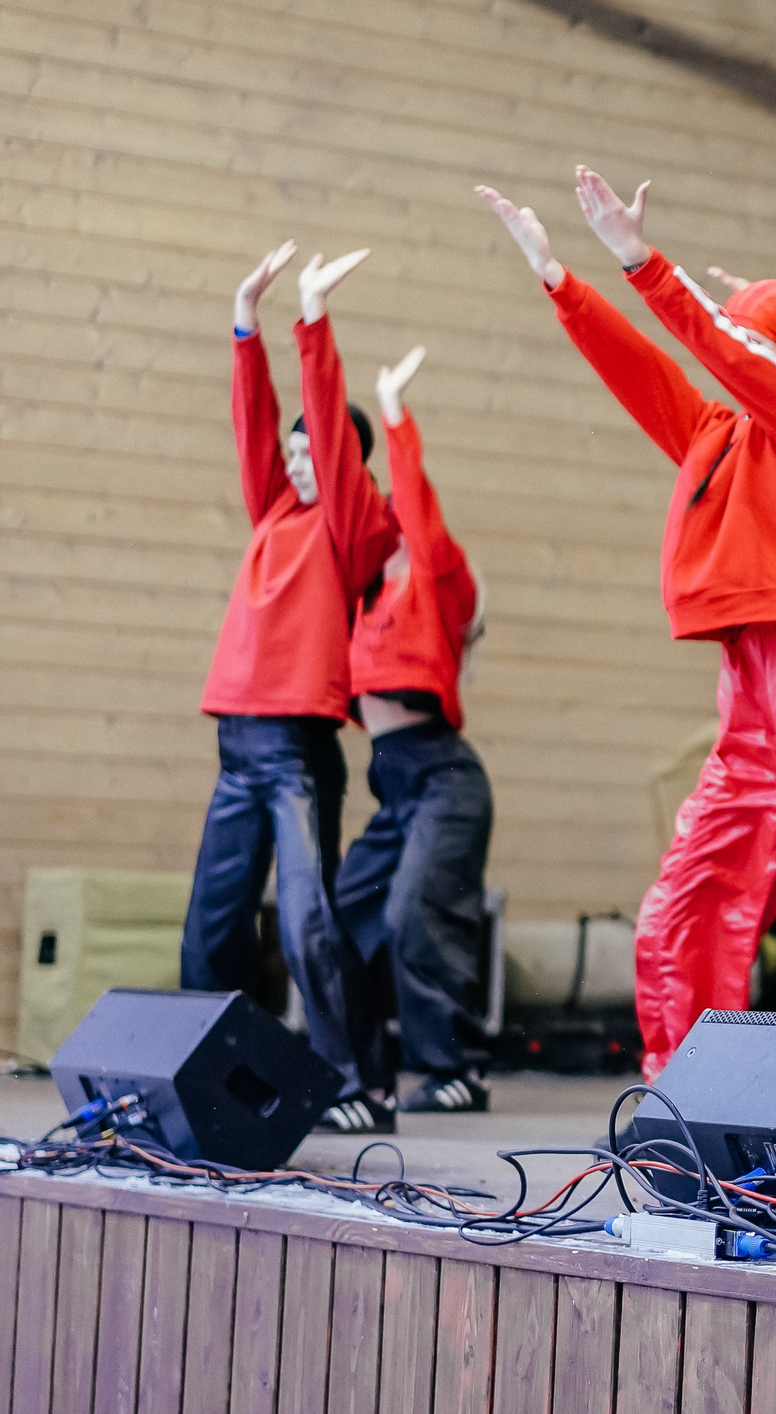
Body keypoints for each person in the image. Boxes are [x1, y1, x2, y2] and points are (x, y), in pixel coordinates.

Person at [476, 171, 776, 1079]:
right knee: (685, 906)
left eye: (748, 339)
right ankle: (687, 1100)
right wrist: (560, 278)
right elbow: (646, 371)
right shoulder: (719, 427)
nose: (729, 352)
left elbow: (720, 349)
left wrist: (642, 261)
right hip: (752, 682)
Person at [186, 242, 400, 1127]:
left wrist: (312, 319)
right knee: (213, 924)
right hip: (236, 741)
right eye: (295, 450)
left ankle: (354, 1078)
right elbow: (253, 420)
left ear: (349, 467)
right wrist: (247, 319)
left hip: (298, 750)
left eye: (317, 451)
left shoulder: (359, 528)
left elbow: (319, 419)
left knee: (308, 922)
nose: (300, 460)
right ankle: (208, 1073)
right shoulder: (275, 506)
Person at [296, 263, 497, 1129]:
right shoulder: (361, 591)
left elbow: (410, 501)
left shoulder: (435, 578)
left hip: (444, 777)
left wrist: (394, 417)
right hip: (393, 784)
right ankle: (360, 1085)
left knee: (416, 912)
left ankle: (454, 1069)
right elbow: (343, 491)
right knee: (336, 921)